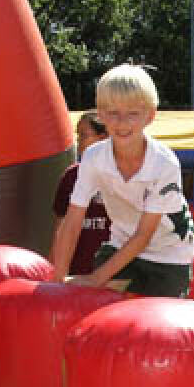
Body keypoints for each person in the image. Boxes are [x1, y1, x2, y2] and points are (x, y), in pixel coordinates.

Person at [49, 64, 193, 296]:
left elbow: (144, 235)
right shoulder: (94, 157)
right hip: (120, 243)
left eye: (133, 113)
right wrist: (59, 278)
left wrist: (96, 278)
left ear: (150, 115)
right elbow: (72, 219)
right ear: (101, 114)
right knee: (102, 304)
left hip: (167, 252)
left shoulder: (163, 163)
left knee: (156, 317)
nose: (122, 122)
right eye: (113, 113)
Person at [52, 112, 113, 276]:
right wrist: (55, 267)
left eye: (84, 135)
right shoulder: (71, 176)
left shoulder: (122, 175)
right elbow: (60, 228)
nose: (79, 141)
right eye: (78, 135)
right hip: (75, 270)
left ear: (103, 138)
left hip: (112, 272)